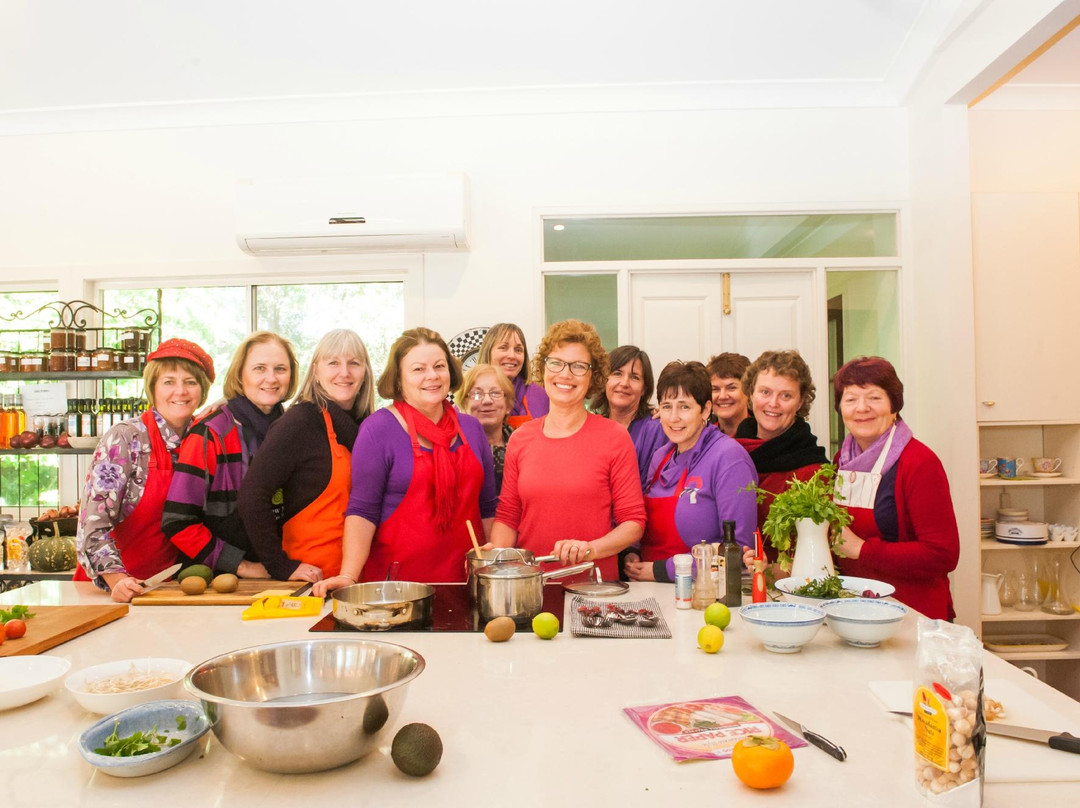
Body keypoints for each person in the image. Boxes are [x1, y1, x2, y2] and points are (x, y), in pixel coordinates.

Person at [316, 328, 497, 592]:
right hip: (396, 588)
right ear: (399, 380)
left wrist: (497, 562)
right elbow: (363, 511)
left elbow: (488, 507)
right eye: (418, 369)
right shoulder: (377, 430)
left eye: (439, 366)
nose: (432, 376)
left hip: (468, 582)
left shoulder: (471, 429)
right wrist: (349, 576)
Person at [491, 319, 645, 581]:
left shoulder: (614, 437)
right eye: (556, 362)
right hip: (530, 588)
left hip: (592, 588)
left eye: (578, 367)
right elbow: (508, 516)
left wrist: (590, 549)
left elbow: (633, 523)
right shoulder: (520, 439)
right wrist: (495, 556)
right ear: (544, 367)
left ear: (592, 376)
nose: (565, 374)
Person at [75, 338, 215, 602]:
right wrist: (117, 580)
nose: (180, 391)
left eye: (191, 382)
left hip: (167, 590)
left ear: (203, 390)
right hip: (110, 591)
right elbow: (92, 525)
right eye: (169, 382)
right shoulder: (125, 438)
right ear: (153, 387)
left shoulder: (203, 438)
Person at [239, 329, 373, 583]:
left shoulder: (369, 426)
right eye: (333, 363)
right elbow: (252, 496)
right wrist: (280, 565)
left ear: (365, 371)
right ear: (316, 371)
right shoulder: (300, 422)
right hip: (314, 580)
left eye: (354, 363)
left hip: (361, 577)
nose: (344, 372)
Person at [161, 331, 299, 578]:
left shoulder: (294, 429)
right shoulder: (210, 434)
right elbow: (178, 521)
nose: (271, 378)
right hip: (220, 580)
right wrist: (243, 567)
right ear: (240, 374)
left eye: (280, 368)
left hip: (285, 572)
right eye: (259, 368)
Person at [832, 356, 960, 620]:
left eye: (874, 398)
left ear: (894, 405)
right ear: (840, 408)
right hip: (856, 612)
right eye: (851, 398)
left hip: (912, 616)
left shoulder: (919, 462)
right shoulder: (840, 462)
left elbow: (942, 554)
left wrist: (862, 550)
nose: (862, 408)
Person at [623, 361, 758, 583]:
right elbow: (642, 520)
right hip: (646, 589)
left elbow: (738, 550)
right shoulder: (660, 457)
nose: (673, 417)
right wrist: (632, 551)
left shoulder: (729, 458)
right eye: (666, 406)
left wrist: (660, 571)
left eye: (684, 406)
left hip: (702, 594)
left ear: (705, 409)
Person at [734, 350, 829, 544]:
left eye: (786, 395)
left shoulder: (814, 474)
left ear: (801, 401)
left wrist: (767, 570)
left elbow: (816, 551)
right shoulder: (731, 452)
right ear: (751, 394)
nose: (773, 403)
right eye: (765, 392)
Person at [590, 345, 666, 488]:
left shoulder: (655, 430)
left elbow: (650, 489)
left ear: (644, 388)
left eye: (634, 377)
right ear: (604, 380)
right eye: (617, 373)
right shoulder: (593, 429)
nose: (624, 383)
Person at [455, 362, 514, 493]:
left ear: (508, 405)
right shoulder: (452, 449)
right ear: (462, 404)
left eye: (495, 393)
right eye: (477, 394)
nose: (487, 401)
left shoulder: (523, 444)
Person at [477, 323, 549, 428]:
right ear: (488, 352)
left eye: (518, 350)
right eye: (503, 347)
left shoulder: (541, 396)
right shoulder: (470, 394)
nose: (512, 355)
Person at [706, 352, 750, 437]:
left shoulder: (767, 435)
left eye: (731, 388)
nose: (722, 396)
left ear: (748, 390)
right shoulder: (702, 437)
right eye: (715, 389)